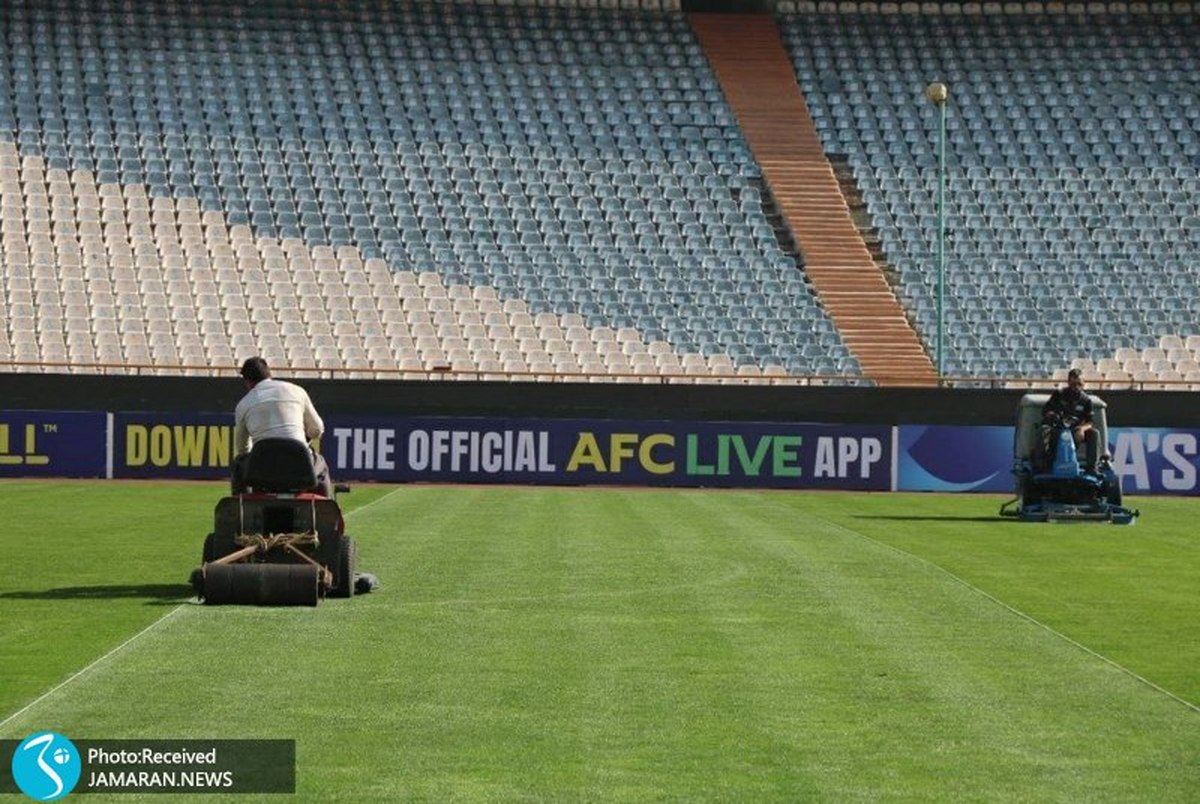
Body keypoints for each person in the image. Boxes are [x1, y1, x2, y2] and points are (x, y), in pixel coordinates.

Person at [230, 356, 334, 497]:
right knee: (321, 463)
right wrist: (304, 439)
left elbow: (242, 449)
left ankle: (241, 507)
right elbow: (317, 429)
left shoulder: (243, 404)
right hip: (300, 463)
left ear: (247, 381)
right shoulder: (297, 391)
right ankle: (327, 509)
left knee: (238, 463)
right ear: (269, 373)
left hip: (262, 468)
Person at [1039, 368, 1099, 473]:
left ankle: (1092, 467)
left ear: (1083, 383)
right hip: (1057, 427)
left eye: (1079, 384)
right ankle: (1044, 465)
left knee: (1094, 433)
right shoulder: (1059, 394)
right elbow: (1045, 411)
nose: (1076, 387)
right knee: (1044, 430)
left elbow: (1091, 422)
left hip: (1075, 430)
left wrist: (1082, 429)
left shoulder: (1086, 400)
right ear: (1068, 383)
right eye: (1073, 384)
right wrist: (1052, 414)